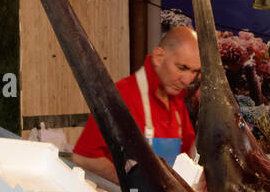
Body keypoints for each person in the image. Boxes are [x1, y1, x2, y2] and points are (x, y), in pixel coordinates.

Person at [71, 26, 200, 183]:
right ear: (159, 56)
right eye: (182, 68)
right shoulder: (122, 95)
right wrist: (137, 185)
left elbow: (187, 154)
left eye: (195, 72)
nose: (187, 80)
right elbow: (83, 158)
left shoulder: (177, 101)